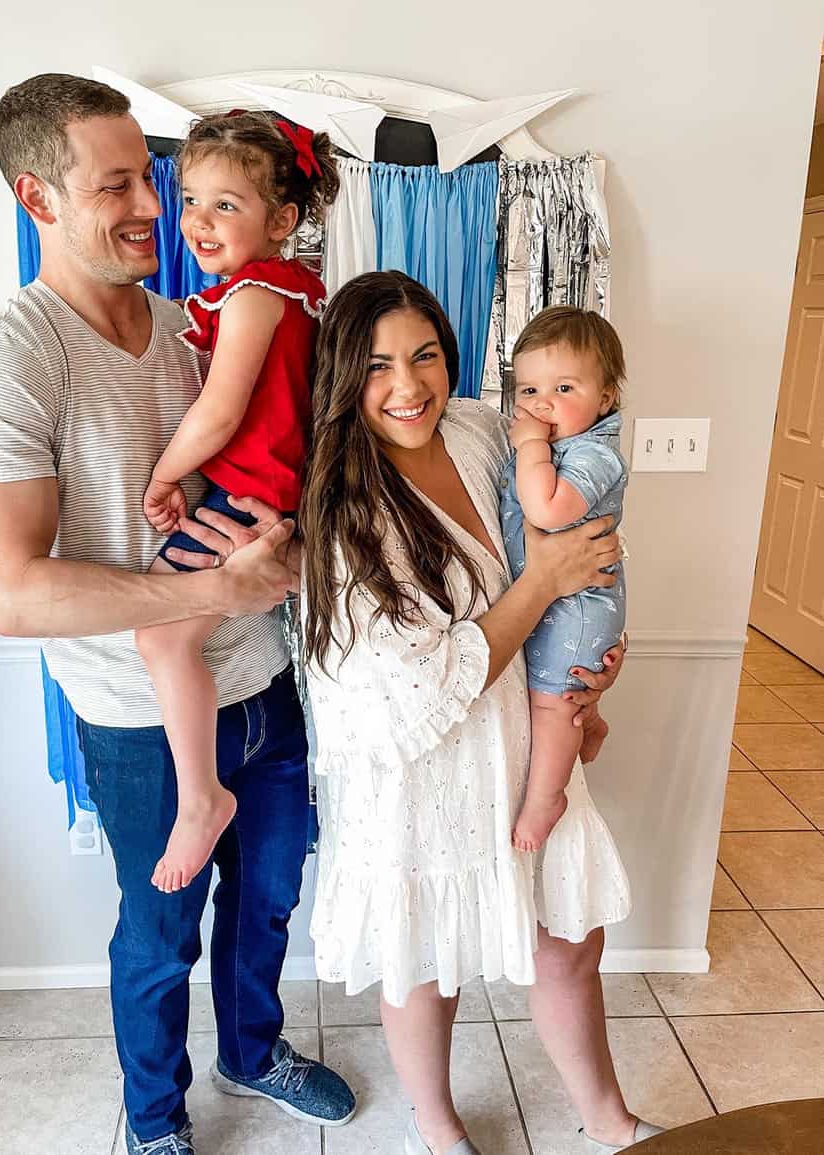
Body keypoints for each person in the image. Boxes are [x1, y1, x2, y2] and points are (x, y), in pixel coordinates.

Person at [0, 73, 354, 1155]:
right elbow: (9, 591)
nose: (152, 208)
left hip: (265, 684)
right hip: (139, 716)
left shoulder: (204, 324)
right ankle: (156, 1119)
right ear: (37, 199)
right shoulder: (10, 361)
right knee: (160, 937)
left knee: (265, 908)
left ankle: (253, 1053)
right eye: (116, 184)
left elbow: (293, 464)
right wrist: (214, 589)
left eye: (152, 179)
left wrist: (292, 552)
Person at [300, 271, 662, 1155]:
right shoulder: (347, 506)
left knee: (571, 934)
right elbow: (421, 681)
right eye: (380, 365)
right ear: (347, 377)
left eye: (426, 355)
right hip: (420, 765)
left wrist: (591, 667)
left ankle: (610, 1117)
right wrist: (545, 583)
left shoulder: (477, 428)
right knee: (427, 962)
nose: (410, 385)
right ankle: (437, 1120)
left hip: (519, 731)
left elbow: (578, 533)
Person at [135, 111, 339, 894]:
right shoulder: (292, 293)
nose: (198, 221)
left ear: (282, 221)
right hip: (269, 493)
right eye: (191, 199)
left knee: (159, 636)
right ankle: (205, 795)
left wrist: (162, 475)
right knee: (170, 634)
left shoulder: (254, 294)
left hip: (247, 494)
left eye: (228, 204)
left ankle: (201, 799)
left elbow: (220, 412)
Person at [502, 306, 628, 852]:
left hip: (578, 606)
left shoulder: (594, 453)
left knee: (553, 700)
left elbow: (549, 510)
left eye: (564, 387)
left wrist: (529, 446)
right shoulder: (560, 445)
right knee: (558, 696)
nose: (541, 404)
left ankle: (545, 799)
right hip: (558, 601)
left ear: (605, 398)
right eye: (528, 390)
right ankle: (590, 723)